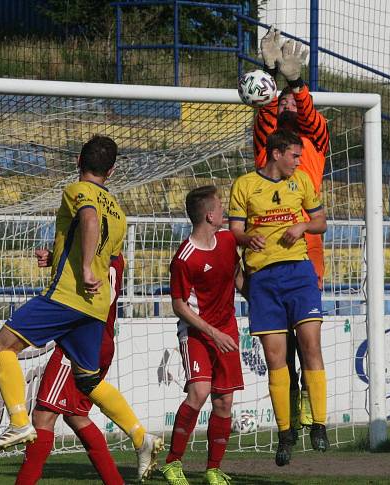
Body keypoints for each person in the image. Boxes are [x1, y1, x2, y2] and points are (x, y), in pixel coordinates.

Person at [0, 135, 162, 482]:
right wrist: (57, 257)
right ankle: (141, 437)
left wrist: (82, 270)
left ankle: (18, 423)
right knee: (88, 380)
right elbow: (98, 247)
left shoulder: (78, 190)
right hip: (94, 308)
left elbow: (90, 220)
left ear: (79, 160)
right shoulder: (121, 214)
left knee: (0, 346)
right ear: (111, 170)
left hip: (68, 296)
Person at [229, 129, 328, 466]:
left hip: (299, 273)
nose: (299, 161)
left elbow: (320, 221)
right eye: (294, 156)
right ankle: (285, 434)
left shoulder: (301, 182)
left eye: (300, 156)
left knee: (311, 346)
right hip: (263, 280)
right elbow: (235, 231)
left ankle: (319, 424)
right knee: (276, 360)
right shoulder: (244, 185)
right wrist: (246, 239)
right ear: (275, 154)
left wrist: (303, 227)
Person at [17, 253, 160, 484]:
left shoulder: (93, 253)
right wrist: (56, 258)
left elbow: (80, 286)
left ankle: (140, 437)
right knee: (77, 416)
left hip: (79, 343)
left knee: (43, 416)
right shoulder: (114, 256)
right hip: (101, 342)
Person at [256, 27, 331, 430]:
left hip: (306, 246)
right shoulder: (267, 144)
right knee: (277, 340)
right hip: (265, 249)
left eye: (291, 101)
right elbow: (265, 109)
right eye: (281, 99)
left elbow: (310, 116)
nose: (285, 103)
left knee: (307, 334)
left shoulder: (315, 142)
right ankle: (288, 406)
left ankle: (305, 393)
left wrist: (296, 83)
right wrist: (268, 72)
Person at [159, 186, 246, 485]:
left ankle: (213, 469)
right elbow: (178, 304)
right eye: (221, 208)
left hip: (227, 329)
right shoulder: (185, 257)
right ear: (210, 215)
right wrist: (211, 332)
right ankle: (172, 463)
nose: (225, 212)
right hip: (196, 331)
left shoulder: (227, 241)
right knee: (199, 392)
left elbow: (237, 277)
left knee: (224, 402)